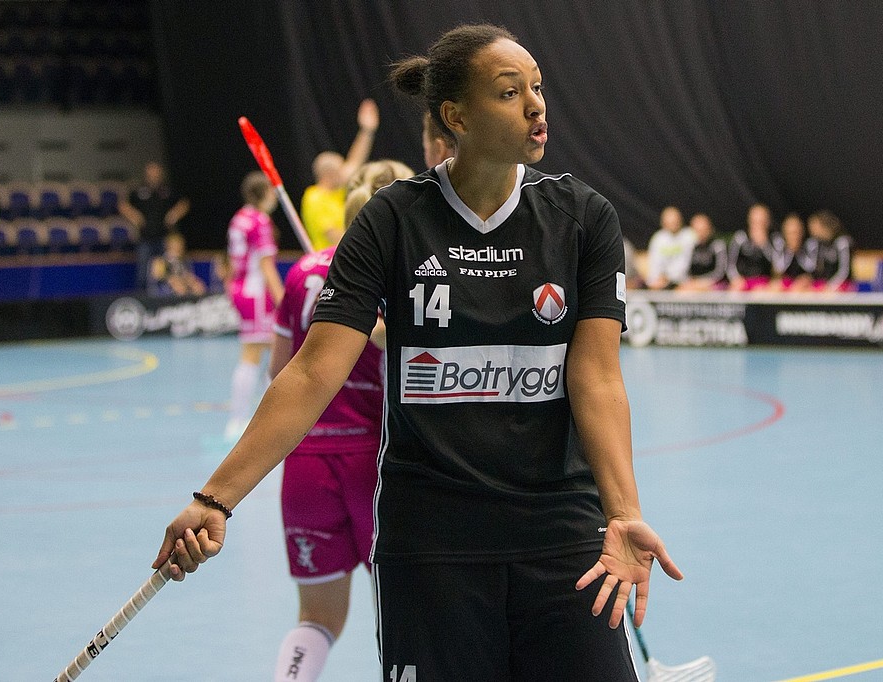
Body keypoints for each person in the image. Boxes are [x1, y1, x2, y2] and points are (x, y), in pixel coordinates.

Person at [154, 24, 681, 682]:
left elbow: (597, 378)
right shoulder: (393, 220)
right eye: (510, 93)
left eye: (538, 88)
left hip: (561, 536)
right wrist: (215, 498)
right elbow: (313, 371)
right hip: (432, 544)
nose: (536, 105)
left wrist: (624, 512)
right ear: (455, 117)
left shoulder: (584, 218)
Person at [269, 171, 407, 682]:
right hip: (375, 463)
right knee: (404, 614)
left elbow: (280, 372)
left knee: (317, 617)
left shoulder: (301, 273)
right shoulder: (398, 274)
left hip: (305, 461)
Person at [224, 171, 286, 439]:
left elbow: (232, 261)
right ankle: (248, 423)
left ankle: (243, 421)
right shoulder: (260, 221)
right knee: (271, 354)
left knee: (261, 352)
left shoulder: (239, 218)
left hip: (241, 290)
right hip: (258, 294)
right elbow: (266, 266)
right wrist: (284, 301)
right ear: (264, 193)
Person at [299, 99, 380, 250]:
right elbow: (334, 235)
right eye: (341, 169)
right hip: (327, 259)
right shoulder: (314, 197)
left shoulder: (336, 193)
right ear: (329, 175)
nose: (345, 172)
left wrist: (366, 131)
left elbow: (354, 162)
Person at [119, 161, 191, 291]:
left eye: (156, 171)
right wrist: (134, 216)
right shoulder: (138, 190)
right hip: (145, 238)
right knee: (143, 274)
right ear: (146, 173)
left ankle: (168, 296)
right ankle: (143, 298)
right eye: (151, 172)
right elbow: (123, 205)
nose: (154, 174)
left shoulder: (167, 190)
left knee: (169, 271)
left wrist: (174, 214)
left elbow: (184, 203)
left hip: (165, 238)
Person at [644, 206, 695, 290]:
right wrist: (657, 278)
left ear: (680, 220)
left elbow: (688, 262)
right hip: (661, 281)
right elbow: (654, 263)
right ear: (663, 223)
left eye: (675, 221)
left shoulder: (690, 236)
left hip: (683, 282)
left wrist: (670, 278)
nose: (672, 224)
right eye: (669, 222)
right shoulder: (658, 238)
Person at [727, 203, 776, 291]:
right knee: (734, 289)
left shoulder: (775, 239)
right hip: (744, 280)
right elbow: (730, 264)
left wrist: (764, 244)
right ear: (749, 220)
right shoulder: (740, 237)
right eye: (755, 221)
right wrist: (736, 279)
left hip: (766, 282)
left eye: (761, 221)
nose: (758, 225)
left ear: (768, 222)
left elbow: (778, 266)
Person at [804, 210, 855, 292]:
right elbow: (815, 269)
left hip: (843, 284)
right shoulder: (818, 244)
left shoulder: (842, 242)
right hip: (826, 283)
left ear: (824, 225)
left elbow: (844, 271)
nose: (811, 229)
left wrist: (830, 286)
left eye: (814, 225)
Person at [676, 213, 727, 292]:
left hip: (715, 284)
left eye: (704, 230)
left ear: (710, 229)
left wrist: (701, 283)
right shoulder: (690, 246)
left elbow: (720, 272)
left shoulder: (718, 245)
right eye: (698, 230)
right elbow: (684, 270)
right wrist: (690, 282)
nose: (701, 234)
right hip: (693, 283)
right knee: (681, 290)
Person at [148, 231, 207, 297]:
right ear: (169, 245)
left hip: (182, 283)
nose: (180, 247)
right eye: (176, 245)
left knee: (198, 286)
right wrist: (172, 279)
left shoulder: (184, 261)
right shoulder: (160, 260)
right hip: (164, 289)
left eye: (181, 245)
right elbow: (158, 276)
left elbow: (187, 275)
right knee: (179, 286)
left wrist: (194, 282)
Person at [770, 212, 812, 292]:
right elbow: (776, 273)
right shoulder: (779, 248)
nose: (794, 237)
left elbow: (813, 272)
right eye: (791, 233)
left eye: (797, 232)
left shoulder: (809, 248)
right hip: (785, 289)